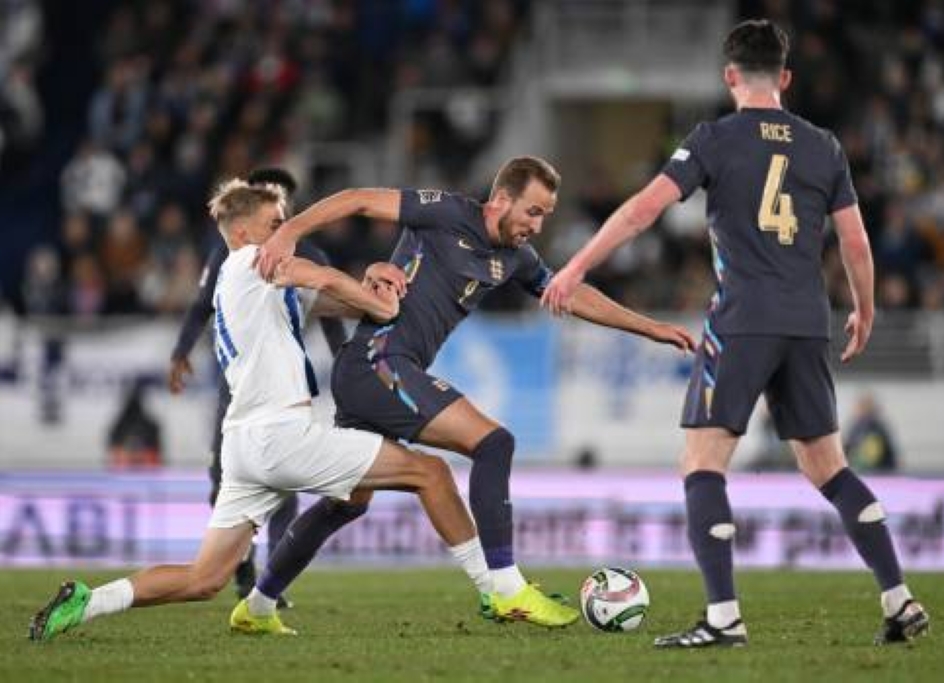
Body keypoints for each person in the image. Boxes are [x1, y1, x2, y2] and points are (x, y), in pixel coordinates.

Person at [542, 20, 929, 648]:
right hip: (807, 322)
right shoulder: (823, 145)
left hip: (744, 318)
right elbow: (855, 240)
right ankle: (899, 598)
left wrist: (577, 266)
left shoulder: (713, 140)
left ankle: (723, 618)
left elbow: (644, 209)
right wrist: (866, 308)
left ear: (729, 77)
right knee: (828, 466)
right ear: (785, 78)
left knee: (702, 461)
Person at [249, 156, 695, 629]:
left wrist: (648, 327)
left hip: (384, 372)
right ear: (501, 199)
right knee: (492, 442)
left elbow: (570, 294)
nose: (537, 226)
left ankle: (257, 607)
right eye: (533, 211)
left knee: (349, 502)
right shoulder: (445, 212)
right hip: (377, 363)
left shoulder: (517, 259)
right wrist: (288, 232)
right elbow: (357, 200)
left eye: (544, 215)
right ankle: (505, 588)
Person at [29, 179, 483, 641]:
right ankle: (498, 590)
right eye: (276, 224)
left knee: (203, 579)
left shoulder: (253, 283)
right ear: (244, 232)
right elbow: (324, 277)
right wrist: (378, 302)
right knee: (431, 473)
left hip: (244, 446)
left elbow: (330, 299)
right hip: (280, 435)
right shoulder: (249, 262)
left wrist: (369, 285)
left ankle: (87, 602)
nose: (287, 231)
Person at [167, 167, 346, 606]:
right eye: (267, 203)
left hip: (283, 389)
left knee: (285, 486)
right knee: (224, 480)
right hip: (240, 389)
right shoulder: (235, 256)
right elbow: (200, 306)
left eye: (281, 204)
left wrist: (347, 373)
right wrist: (181, 351)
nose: (277, 214)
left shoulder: (309, 254)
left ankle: (269, 581)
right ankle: (242, 565)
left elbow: (332, 318)